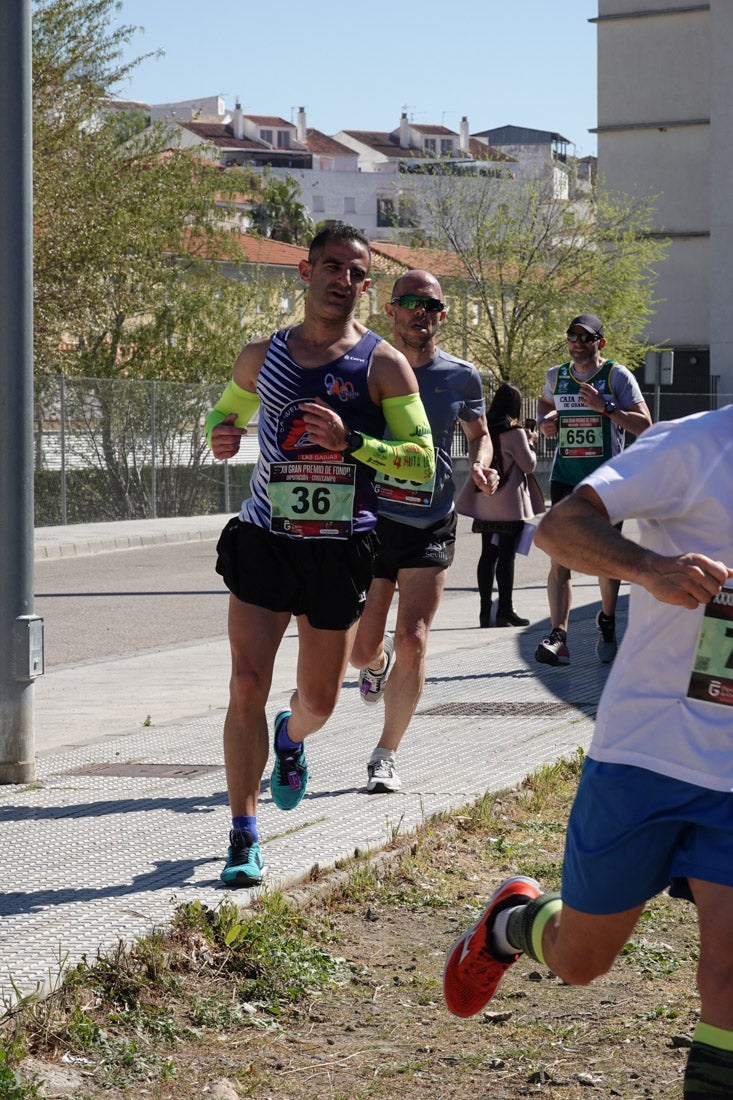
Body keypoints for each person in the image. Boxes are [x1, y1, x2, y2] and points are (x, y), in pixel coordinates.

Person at [442, 405, 733, 1099]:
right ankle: (512, 921)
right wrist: (651, 568)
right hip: (647, 753)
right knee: (582, 960)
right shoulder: (696, 446)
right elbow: (559, 527)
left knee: (727, 976)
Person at [205, 224, 435, 887]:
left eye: (354, 271)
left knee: (319, 700)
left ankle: (292, 735)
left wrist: (352, 442)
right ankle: (243, 835)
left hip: (338, 548)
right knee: (244, 682)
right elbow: (225, 414)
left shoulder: (382, 365)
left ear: (367, 285)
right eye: (330, 265)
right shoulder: (261, 356)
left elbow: (419, 463)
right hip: (264, 537)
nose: (341, 278)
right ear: (305, 272)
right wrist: (221, 434)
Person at [348, 269, 495, 794]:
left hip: (430, 521)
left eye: (430, 305)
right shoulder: (368, 366)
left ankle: (385, 755)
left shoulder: (462, 376)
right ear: (391, 310)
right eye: (409, 302)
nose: (420, 312)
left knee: (413, 637)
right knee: (362, 651)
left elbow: (481, 434)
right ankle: (376, 664)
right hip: (372, 519)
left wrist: (482, 463)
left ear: (442, 315)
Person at [534, 313, 652, 666]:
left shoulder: (615, 375)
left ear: (600, 342)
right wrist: (544, 423)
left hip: (605, 481)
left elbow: (645, 425)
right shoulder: (557, 376)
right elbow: (544, 406)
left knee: (606, 559)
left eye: (586, 338)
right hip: (566, 477)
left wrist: (607, 407)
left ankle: (607, 620)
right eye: (573, 336)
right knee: (560, 557)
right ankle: (559, 635)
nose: (578, 343)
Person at [466, 382, 540, 628]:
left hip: (486, 501)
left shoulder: (485, 432)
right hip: (509, 504)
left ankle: (484, 611)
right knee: (507, 557)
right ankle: (505, 609)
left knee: (488, 555)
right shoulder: (515, 431)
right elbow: (528, 466)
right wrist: (530, 442)